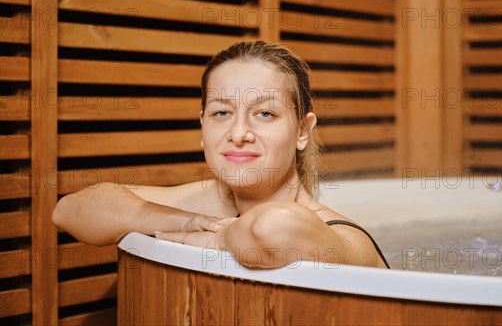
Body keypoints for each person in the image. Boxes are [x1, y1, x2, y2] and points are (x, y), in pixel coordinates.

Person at [52, 40, 390, 269]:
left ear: (302, 130)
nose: (238, 133)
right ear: (202, 128)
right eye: (221, 113)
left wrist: (219, 239)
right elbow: (70, 211)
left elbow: (276, 229)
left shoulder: (343, 235)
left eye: (265, 114)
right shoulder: (207, 206)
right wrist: (181, 221)